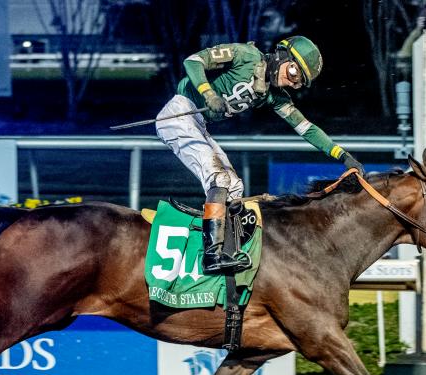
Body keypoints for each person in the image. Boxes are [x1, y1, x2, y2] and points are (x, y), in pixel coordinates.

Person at [156, 36, 365, 274]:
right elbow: (193, 61)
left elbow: (306, 128)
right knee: (219, 178)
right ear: (283, 56)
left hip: (198, 124)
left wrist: (343, 156)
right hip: (178, 113)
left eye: (298, 83)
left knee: (234, 187)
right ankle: (211, 255)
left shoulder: (273, 96)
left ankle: (228, 252)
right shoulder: (246, 55)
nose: (291, 82)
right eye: (294, 72)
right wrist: (208, 93)